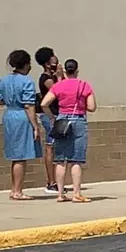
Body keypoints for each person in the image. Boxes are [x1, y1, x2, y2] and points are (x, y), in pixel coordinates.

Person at [40, 59, 96, 202]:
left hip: (62, 120)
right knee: (75, 160)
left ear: (65, 71)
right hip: (78, 120)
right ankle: (76, 193)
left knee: (60, 159)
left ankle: (60, 194)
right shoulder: (85, 86)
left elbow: (44, 103)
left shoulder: (58, 86)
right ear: (76, 71)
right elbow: (92, 107)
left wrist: (53, 117)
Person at [0, 50, 42, 201]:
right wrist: (35, 125)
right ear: (26, 64)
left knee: (15, 155)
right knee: (21, 156)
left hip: (9, 115)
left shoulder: (3, 80)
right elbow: (29, 105)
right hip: (21, 116)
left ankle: (14, 188)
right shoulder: (27, 81)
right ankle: (18, 191)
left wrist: (10, 100)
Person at [34, 47, 62, 193]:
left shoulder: (51, 77)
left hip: (56, 115)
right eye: (52, 56)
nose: (56, 58)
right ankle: (51, 182)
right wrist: (59, 77)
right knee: (50, 146)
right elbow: (60, 92)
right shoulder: (47, 79)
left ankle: (56, 181)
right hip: (50, 115)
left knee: (56, 148)